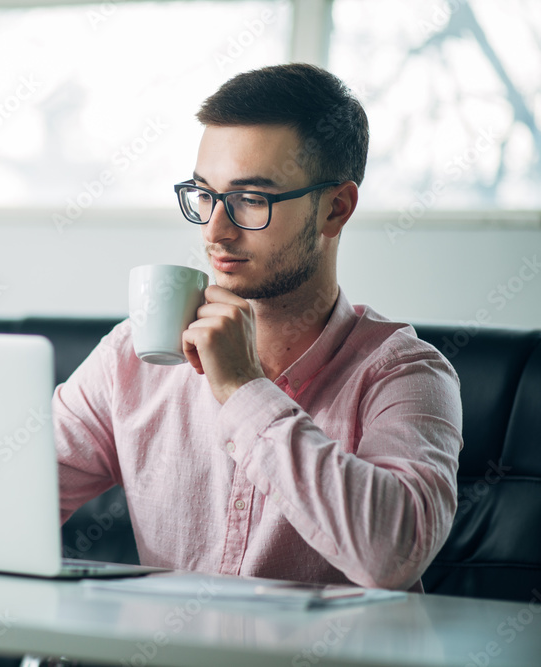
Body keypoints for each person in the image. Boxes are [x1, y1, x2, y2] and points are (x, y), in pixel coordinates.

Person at [53, 63, 463, 591]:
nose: (215, 230)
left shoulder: (407, 374)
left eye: (251, 199)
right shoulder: (133, 358)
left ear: (335, 209)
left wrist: (245, 390)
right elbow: (10, 503)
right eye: (204, 194)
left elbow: (392, 556)